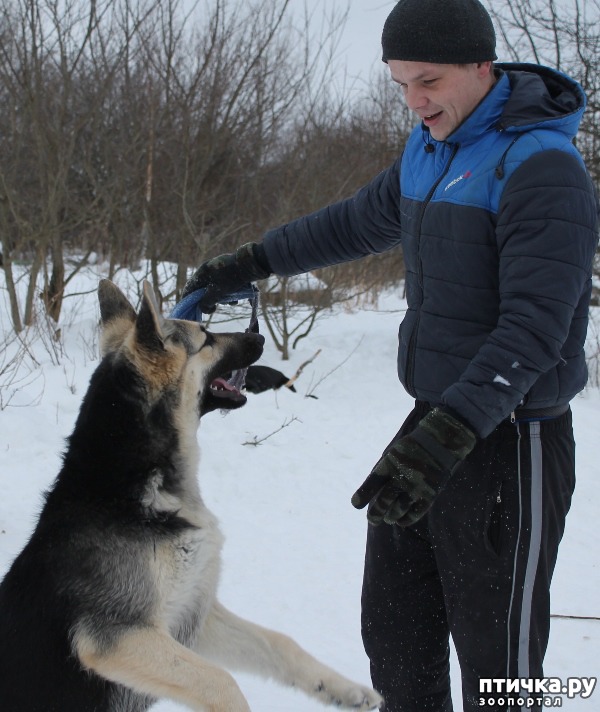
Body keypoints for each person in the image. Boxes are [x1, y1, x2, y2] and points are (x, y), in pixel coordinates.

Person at [182, 0, 599, 709]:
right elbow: (353, 222)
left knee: (500, 665)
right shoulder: (429, 151)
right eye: (400, 83)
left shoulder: (541, 166)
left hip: (512, 440)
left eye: (428, 81)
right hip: (434, 422)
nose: (415, 102)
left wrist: (453, 434)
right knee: (396, 630)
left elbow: (536, 329)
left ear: (480, 67)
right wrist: (252, 261)